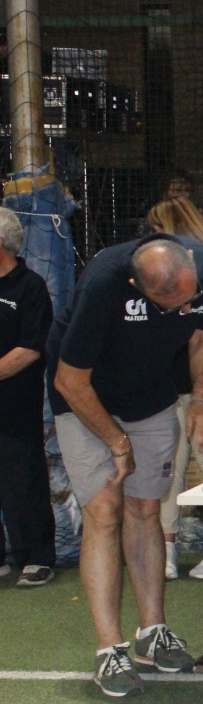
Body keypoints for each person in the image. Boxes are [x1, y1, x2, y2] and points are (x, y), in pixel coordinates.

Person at [47, 233, 203, 697]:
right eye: (173, 306)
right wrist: (116, 441)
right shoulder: (103, 283)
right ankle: (109, 650)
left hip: (150, 395)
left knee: (147, 508)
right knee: (104, 512)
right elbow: (70, 380)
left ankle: (152, 633)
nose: (184, 309)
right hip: (86, 397)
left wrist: (202, 400)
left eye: (189, 299)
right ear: (137, 286)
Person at [145, 196, 203, 582]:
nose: (151, 236)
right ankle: (165, 547)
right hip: (171, 385)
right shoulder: (158, 269)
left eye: (156, 229)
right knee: (168, 468)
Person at [0, 208, 56, 588]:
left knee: (23, 482)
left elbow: (30, 349)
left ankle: (36, 557)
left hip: (16, 407)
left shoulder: (30, 286)